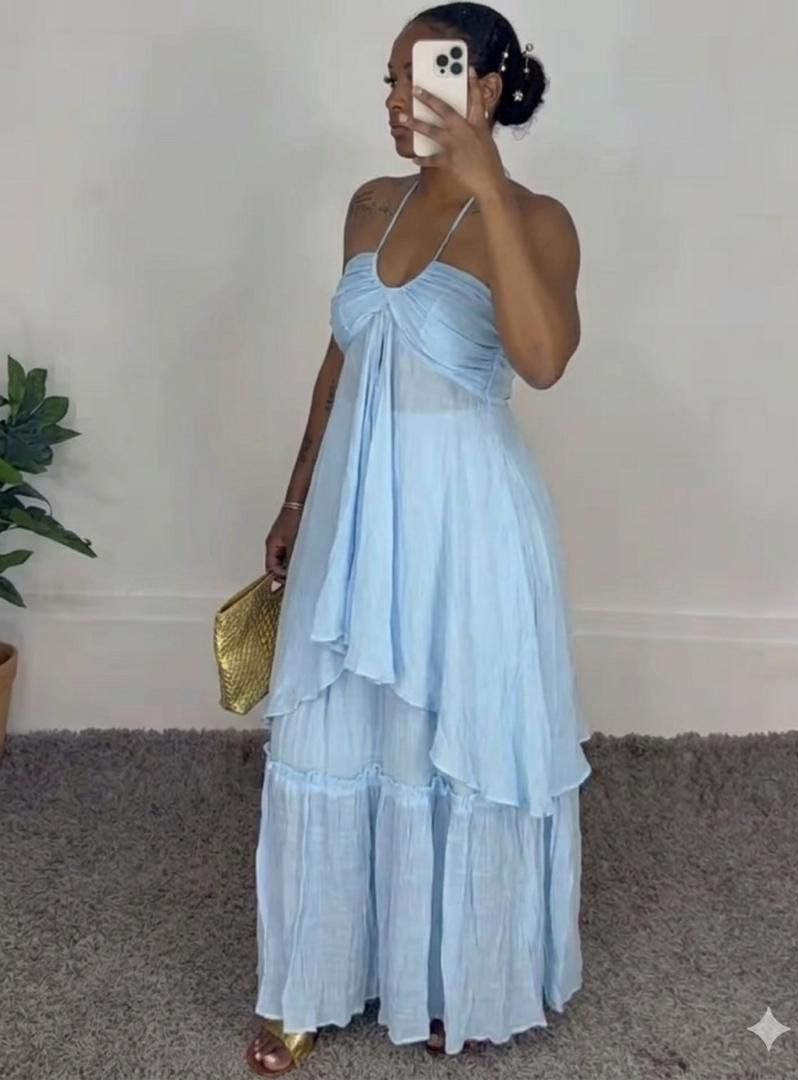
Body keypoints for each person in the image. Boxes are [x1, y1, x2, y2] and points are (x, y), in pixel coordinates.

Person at [246, 3, 592, 1073]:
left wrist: (485, 184)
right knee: (333, 733)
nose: (400, 99)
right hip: (354, 515)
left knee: (457, 743)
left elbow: (544, 362)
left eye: (426, 75)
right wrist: (296, 498)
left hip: (468, 526)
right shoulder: (368, 204)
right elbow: (342, 356)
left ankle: (460, 982)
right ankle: (309, 981)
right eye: (391, 78)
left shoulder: (538, 221)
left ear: (485, 88)